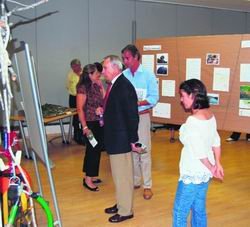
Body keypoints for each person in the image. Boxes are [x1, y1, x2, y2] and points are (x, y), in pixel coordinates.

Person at [173, 79, 224, 227]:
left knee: (179, 212)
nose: (181, 100)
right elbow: (216, 141)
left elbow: (199, 152)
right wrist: (217, 164)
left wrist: (212, 167)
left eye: (183, 95)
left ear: (193, 95)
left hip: (192, 173)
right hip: (204, 174)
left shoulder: (193, 121)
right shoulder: (210, 115)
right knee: (198, 209)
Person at [100, 55, 139, 223]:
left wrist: (133, 139)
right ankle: (121, 203)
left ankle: (125, 211)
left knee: (123, 176)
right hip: (115, 137)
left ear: (116, 68)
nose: (102, 72)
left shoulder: (124, 86)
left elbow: (132, 116)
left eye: (105, 68)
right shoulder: (115, 84)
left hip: (121, 139)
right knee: (118, 176)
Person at [121, 44, 159, 200]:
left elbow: (154, 98)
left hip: (142, 117)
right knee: (131, 151)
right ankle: (136, 181)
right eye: (123, 58)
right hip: (127, 119)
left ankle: (147, 186)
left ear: (136, 57)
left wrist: (138, 103)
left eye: (127, 58)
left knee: (143, 151)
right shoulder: (123, 75)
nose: (124, 61)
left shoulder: (148, 75)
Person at [76, 63, 105, 191]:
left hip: (98, 122)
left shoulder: (96, 85)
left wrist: (101, 86)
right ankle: (88, 179)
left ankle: (91, 175)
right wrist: (85, 127)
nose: (99, 75)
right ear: (90, 74)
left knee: (96, 149)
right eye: (96, 73)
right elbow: (80, 109)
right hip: (89, 124)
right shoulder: (83, 88)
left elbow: (104, 100)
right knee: (92, 150)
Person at [66, 59, 84, 144]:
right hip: (73, 97)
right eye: (73, 67)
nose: (74, 68)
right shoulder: (70, 74)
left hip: (83, 97)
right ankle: (77, 135)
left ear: (80, 65)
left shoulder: (85, 73)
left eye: (76, 66)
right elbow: (67, 86)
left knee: (84, 115)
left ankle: (85, 134)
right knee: (75, 116)